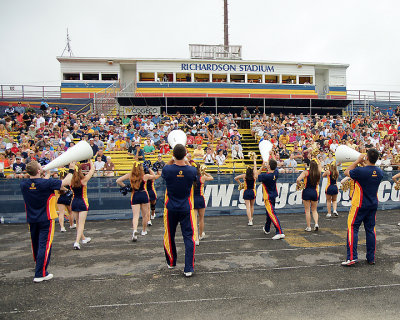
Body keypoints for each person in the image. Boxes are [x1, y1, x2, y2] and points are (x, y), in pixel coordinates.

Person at [20, 160, 73, 282]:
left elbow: (39, 183)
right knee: (44, 245)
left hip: (32, 219)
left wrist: (43, 172)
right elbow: (66, 181)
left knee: (36, 245)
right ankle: (40, 273)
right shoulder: (46, 183)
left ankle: (39, 267)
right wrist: (70, 169)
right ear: (39, 171)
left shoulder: (24, 184)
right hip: (46, 218)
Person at [341, 149, 383, 266]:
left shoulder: (360, 171)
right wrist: (364, 163)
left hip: (359, 204)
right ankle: (371, 258)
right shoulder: (379, 172)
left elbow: (346, 172)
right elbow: (370, 171)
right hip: (373, 203)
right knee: (370, 230)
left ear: (367, 158)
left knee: (353, 228)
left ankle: (352, 258)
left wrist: (357, 161)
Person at [162, 144, 197, 277]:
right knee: (188, 237)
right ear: (185, 154)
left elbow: (167, 167)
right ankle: (188, 267)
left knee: (169, 235)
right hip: (186, 208)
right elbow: (192, 171)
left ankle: (171, 262)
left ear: (173, 154)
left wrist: (173, 159)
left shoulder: (168, 169)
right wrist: (186, 160)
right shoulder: (191, 170)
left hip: (170, 207)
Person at [116, 162, 156, 241]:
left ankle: (134, 231)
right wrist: (149, 169)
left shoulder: (130, 175)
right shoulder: (144, 176)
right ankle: (144, 231)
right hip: (144, 195)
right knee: (145, 215)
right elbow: (154, 176)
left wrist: (126, 187)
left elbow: (118, 180)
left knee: (135, 216)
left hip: (135, 195)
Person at [257, 157, 285, 240]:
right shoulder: (275, 172)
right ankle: (267, 229)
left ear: (269, 166)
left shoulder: (266, 176)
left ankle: (280, 232)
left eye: (268, 163)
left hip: (268, 197)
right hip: (273, 195)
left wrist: (262, 166)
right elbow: (275, 166)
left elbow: (256, 175)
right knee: (269, 213)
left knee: (272, 213)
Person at [71, 161, 95, 250]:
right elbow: (92, 170)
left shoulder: (71, 181)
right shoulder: (84, 180)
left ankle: (83, 238)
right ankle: (77, 242)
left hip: (74, 202)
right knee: (81, 224)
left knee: (77, 223)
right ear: (80, 171)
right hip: (82, 202)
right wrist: (91, 161)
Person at [296, 159, 322, 232]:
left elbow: (298, 179)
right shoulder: (318, 173)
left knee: (307, 211)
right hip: (314, 192)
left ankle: (309, 227)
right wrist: (317, 158)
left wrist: (299, 185)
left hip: (306, 191)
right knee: (314, 210)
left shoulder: (306, 172)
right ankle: (316, 224)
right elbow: (320, 165)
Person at [193, 163, 213, 245]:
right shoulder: (203, 178)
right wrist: (204, 172)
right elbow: (211, 178)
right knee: (201, 219)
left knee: (194, 220)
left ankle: (196, 238)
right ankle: (200, 235)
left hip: (193, 199)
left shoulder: (191, 178)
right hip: (201, 199)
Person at [234, 156, 257, 226]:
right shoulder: (254, 176)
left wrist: (240, 184)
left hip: (246, 191)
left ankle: (250, 220)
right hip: (252, 191)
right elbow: (255, 168)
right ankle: (251, 218)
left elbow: (235, 178)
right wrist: (254, 160)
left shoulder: (244, 176)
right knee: (252, 206)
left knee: (247, 207)